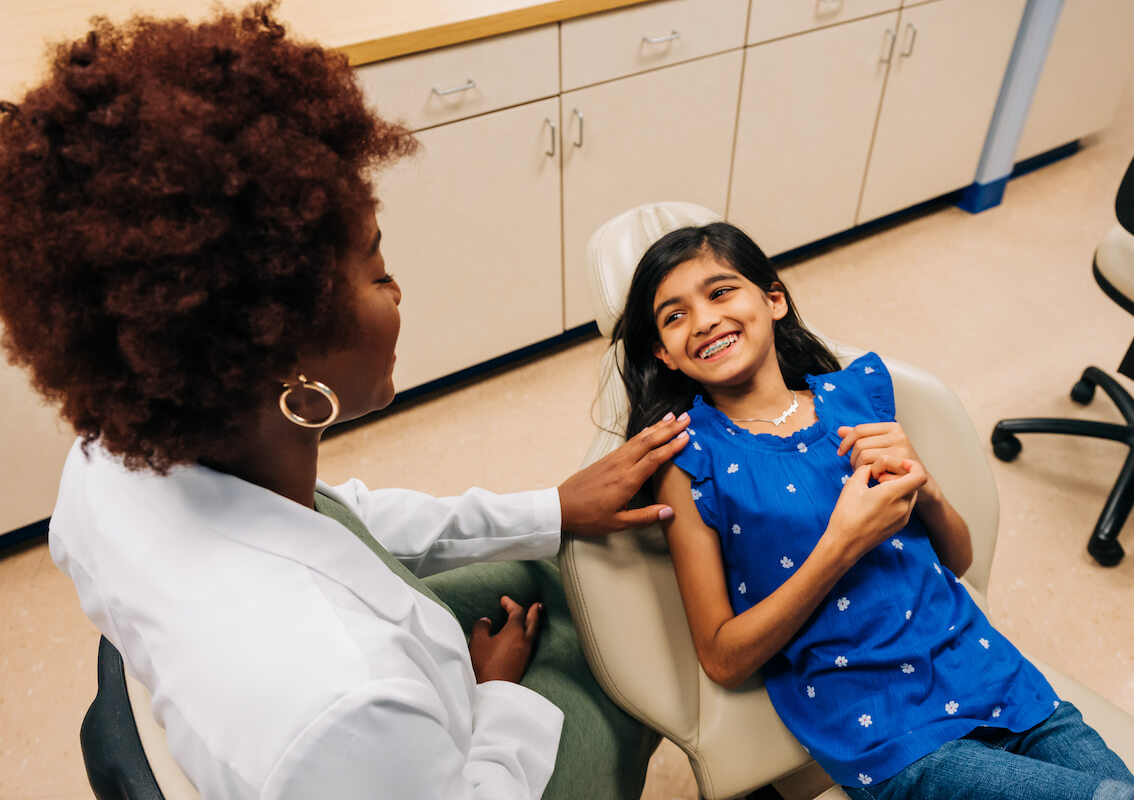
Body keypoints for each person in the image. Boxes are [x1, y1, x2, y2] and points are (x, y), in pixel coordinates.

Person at [0, 5, 692, 799]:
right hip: (423, 764)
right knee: (625, 660)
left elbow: (343, 523)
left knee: (553, 567)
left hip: (369, 728)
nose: (397, 292)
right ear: (284, 353)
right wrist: (494, 698)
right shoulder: (342, 700)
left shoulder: (110, 457)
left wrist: (552, 509)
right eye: (376, 270)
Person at [612, 221, 1134, 800]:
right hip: (890, 734)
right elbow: (722, 658)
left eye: (720, 292)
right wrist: (841, 544)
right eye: (675, 316)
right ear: (664, 354)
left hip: (995, 677)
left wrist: (928, 488)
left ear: (774, 301)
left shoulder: (857, 399)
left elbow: (958, 560)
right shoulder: (691, 461)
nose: (704, 319)